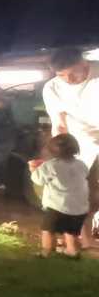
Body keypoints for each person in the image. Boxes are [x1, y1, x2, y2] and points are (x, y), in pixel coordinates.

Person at [41, 46, 99, 250]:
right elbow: (59, 123)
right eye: (61, 75)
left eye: (73, 73)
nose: (68, 79)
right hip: (81, 140)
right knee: (82, 190)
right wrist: (60, 153)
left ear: (84, 64)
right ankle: (84, 238)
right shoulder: (52, 88)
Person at [30, 134, 91, 258]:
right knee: (70, 231)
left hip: (57, 205)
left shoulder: (50, 165)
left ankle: (46, 251)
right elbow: (85, 175)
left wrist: (33, 169)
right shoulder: (81, 164)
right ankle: (72, 251)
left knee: (48, 229)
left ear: (51, 151)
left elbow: (38, 180)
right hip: (79, 207)